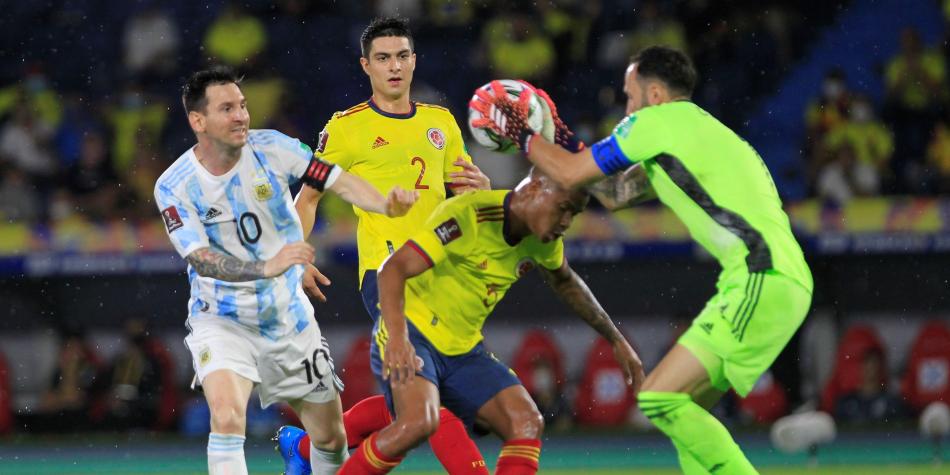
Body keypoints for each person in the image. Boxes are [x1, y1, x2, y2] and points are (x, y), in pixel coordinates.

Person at [472, 45, 813, 474]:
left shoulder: (654, 122)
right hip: (776, 278)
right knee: (683, 408)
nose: (626, 108)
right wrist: (558, 134)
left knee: (658, 397)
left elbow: (571, 174)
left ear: (654, 94)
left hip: (761, 276)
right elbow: (612, 194)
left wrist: (523, 132)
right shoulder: (695, 135)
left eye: (630, 96)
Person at [153, 66, 417, 475]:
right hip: (222, 318)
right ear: (197, 120)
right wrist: (267, 266)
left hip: (287, 317)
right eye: (227, 108)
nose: (241, 115)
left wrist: (385, 204)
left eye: (242, 105)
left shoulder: (274, 148)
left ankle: (302, 455)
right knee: (225, 418)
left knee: (330, 438)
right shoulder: (175, 185)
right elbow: (199, 257)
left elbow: (336, 180)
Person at [277, 16, 492, 475]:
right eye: (383, 58)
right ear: (366, 66)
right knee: (432, 393)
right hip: (387, 272)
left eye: (402, 56)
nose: (394, 66)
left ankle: (302, 451)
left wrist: (483, 189)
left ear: (414, 60)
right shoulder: (345, 129)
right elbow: (308, 197)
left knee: (415, 400)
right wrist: (296, 255)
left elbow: (467, 201)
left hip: (444, 275)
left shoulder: (442, 123)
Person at [337, 171, 644, 474]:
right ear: (535, 188)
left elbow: (566, 283)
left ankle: (308, 443)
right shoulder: (469, 215)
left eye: (574, 214)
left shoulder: (542, 239)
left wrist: (615, 338)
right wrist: (397, 338)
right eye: (563, 208)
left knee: (525, 421)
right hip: (413, 332)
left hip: (463, 350)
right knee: (417, 423)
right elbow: (392, 269)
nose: (566, 222)